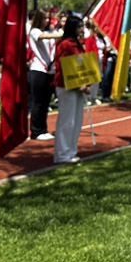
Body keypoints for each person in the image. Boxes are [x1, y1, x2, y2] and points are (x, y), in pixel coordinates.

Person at [52, 16, 89, 164]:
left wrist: (86, 83)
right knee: (67, 121)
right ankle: (62, 154)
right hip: (66, 86)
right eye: (79, 27)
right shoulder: (65, 45)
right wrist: (77, 84)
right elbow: (63, 66)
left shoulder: (77, 44)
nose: (82, 29)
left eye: (82, 26)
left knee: (77, 120)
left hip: (78, 86)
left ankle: (71, 151)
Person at [27, 9, 63, 140]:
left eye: (49, 18)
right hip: (38, 69)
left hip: (51, 70)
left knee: (46, 102)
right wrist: (59, 34)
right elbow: (42, 37)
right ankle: (35, 131)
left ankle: (43, 129)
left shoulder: (51, 32)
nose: (48, 21)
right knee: (38, 102)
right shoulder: (34, 31)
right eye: (45, 18)